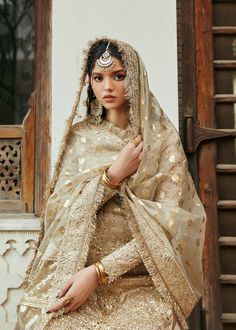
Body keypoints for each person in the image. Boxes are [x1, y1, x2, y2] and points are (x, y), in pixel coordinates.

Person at [16, 37, 206, 329]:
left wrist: (100, 272)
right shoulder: (79, 138)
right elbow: (61, 213)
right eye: (98, 77)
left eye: (118, 76)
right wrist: (111, 178)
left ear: (136, 78)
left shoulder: (161, 141)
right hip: (76, 275)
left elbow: (169, 228)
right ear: (88, 81)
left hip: (141, 280)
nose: (107, 87)